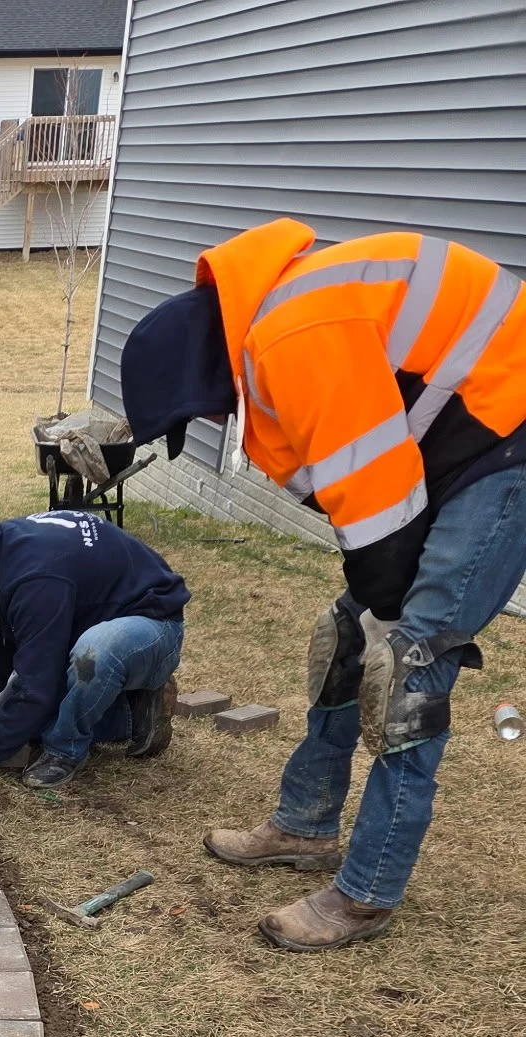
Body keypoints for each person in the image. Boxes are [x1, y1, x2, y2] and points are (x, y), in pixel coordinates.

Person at [122, 217, 526, 951]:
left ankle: (366, 893)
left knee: (410, 664)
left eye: (201, 408)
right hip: (455, 440)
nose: (214, 417)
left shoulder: (294, 335)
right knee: (349, 636)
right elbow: (364, 502)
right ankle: (305, 825)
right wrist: (373, 607)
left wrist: (392, 614)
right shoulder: (277, 324)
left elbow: (376, 504)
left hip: (507, 440)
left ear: (204, 370)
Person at [0, 510, 191, 788]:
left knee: (92, 654)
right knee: (6, 720)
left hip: (154, 624)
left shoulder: (36, 578)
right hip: (95, 621)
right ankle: (134, 714)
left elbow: (37, 685)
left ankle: (64, 750)